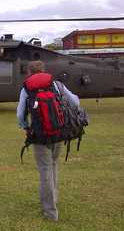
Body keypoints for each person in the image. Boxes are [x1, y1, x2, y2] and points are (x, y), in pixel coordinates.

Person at [16, 60, 79, 221]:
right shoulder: (57, 85)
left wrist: (25, 127)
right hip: (58, 133)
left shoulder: (27, 88)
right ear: (43, 70)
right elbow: (75, 102)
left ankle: (50, 212)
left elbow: (20, 114)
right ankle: (53, 199)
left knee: (45, 170)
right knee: (53, 164)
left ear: (29, 72)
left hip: (39, 136)